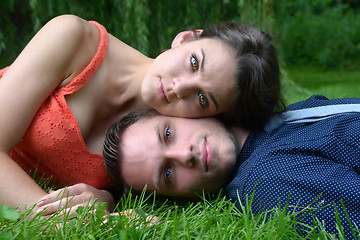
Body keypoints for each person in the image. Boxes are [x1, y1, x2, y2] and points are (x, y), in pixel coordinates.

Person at [0, 14, 283, 213]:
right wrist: (52, 217)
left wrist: (105, 199)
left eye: (202, 98)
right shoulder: (72, 39)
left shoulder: (163, 142)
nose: (178, 87)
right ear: (186, 38)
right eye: (194, 62)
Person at [103, 95, 360, 238]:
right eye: (168, 173)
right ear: (179, 198)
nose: (184, 155)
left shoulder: (276, 120)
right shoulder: (267, 180)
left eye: (168, 134)